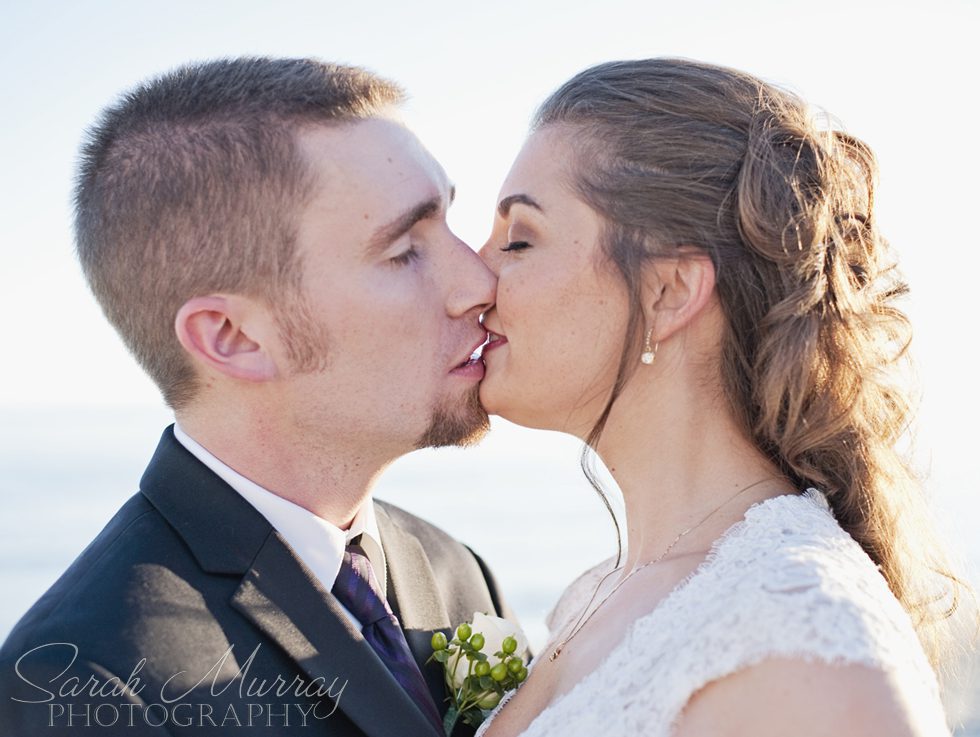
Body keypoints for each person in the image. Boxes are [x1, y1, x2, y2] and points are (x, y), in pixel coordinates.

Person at [0, 57, 512, 737]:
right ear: (233, 336)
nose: (478, 279)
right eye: (404, 252)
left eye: (450, 220)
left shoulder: (458, 573)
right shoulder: (90, 683)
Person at [474, 58, 965, 736]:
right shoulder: (598, 594)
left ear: (670, 291)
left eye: (519, 239)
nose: (474, 277)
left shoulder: (797, 632)